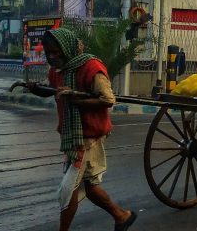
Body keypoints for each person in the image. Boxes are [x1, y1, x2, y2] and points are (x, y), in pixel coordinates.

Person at [28, 28, 136, 231]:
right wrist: (36, 89)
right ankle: (122, 216)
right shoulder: (58, 70)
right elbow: (52, 90)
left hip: (89, 137)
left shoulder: (91, 67)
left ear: (66, 48)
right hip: (73, 136)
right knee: (91, 188)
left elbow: (107, 99)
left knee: (67, 191)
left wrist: (77, 99)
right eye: (49, 53)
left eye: (55, 52)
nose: (52, 57)